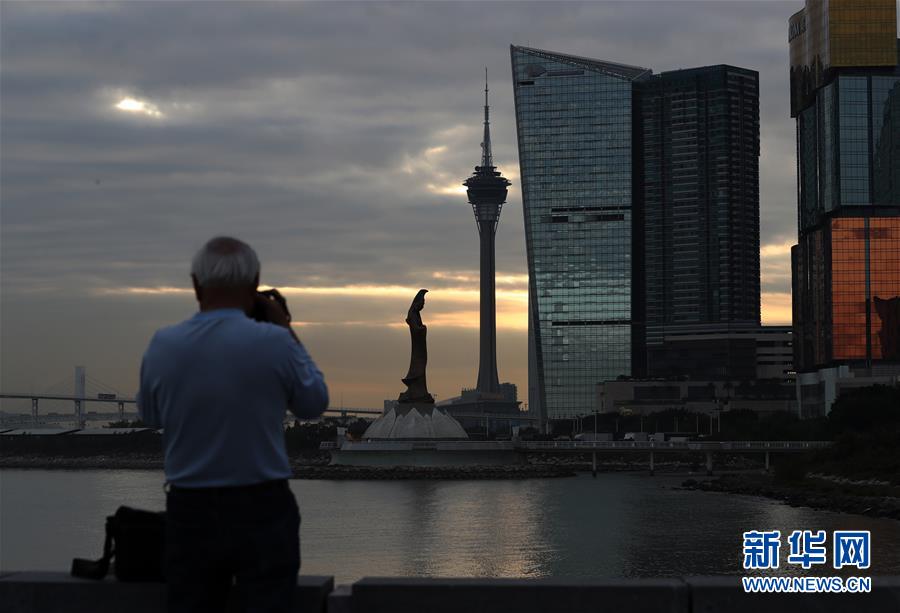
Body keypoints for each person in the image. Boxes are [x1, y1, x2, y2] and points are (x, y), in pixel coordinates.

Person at [137, 236, 328, 613]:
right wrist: (284, 326)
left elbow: (151, 416)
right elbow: (313, 404)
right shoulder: (275, 342)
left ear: (196, 284)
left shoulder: (163, 344)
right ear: (255, 283)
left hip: (189, 508)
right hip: (263, 507)